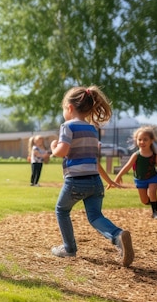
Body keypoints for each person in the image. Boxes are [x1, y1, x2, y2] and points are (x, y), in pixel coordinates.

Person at [49, 85, 134, 267]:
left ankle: (69, 248)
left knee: (62, 210)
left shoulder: (67, 126)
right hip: (95, 181)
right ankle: (118, 235)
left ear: (70, 108)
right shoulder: (92, 130)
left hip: (75, 182)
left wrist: (53, 148)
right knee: (95, 216)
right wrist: (108, 180)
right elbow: (94, 161)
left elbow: (62, 151)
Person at [114, 126, 157, 220]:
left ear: (151, 140)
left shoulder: (155, 156)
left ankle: (155, 212)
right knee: (144, 200)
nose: (142, 142)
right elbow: (127, 167)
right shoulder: (136, 155)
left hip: (153, 177)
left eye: (145, 139)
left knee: (152, 192)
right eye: (139, 139)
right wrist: (118, 177)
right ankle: (152, 202)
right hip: (140, 180)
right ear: (136, 140)